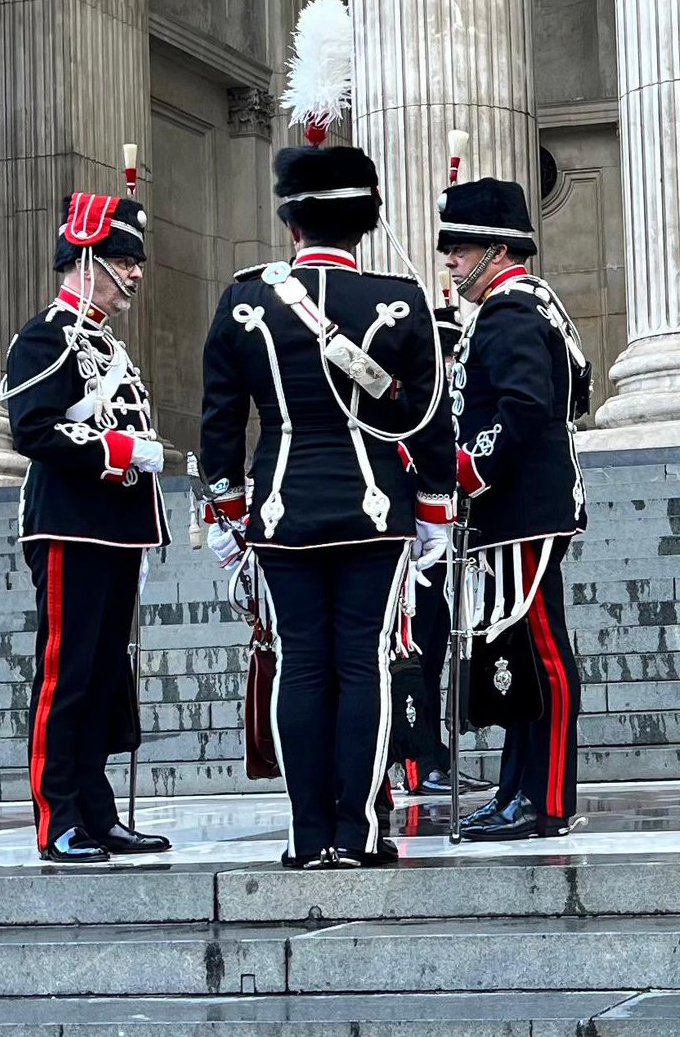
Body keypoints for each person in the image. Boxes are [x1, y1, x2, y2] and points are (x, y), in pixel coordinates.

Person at [200, 143, 457, 869]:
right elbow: (430, 423)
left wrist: (226, 510)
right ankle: (357, 834)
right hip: (376, 511)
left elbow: (219, 423)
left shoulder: (244, 299)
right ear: (365, 222)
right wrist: (435, 508)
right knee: (364, 666)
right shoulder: (399, 299)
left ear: (290, 223)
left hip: (280, 511)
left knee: (300, 667)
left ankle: (305, 837)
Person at [1, 188, 172, 864]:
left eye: (136, 260)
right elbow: (33, 429)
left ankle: (97, 812)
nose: (134, 272)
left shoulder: (104, 342)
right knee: (66, 674)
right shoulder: (46, 334)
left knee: (104, 675)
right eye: (123, 258)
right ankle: (57, 816)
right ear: (88, 256)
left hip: (116, 527)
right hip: (71, 526)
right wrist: (119, 452)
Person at [437, 170, 587, 841]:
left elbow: (524, 407)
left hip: (523, 507)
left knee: (545, 654)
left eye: (461, 248)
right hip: (522, 507)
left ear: (497, 251)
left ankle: (546, 798)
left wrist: (471, 467)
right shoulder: (524, 306)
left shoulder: (511, 312)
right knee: (521, 655)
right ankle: (517, 792)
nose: (450, 259)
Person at [399, 306, 490, 799]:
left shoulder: (445, 400)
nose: (453, 361)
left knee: (437, 653)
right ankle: (418, 761)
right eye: (447, 351)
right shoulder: (413, 402)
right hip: (416, 543)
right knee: (417, 655)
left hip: (445, 538)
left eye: (456, 351)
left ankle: (439, 755)